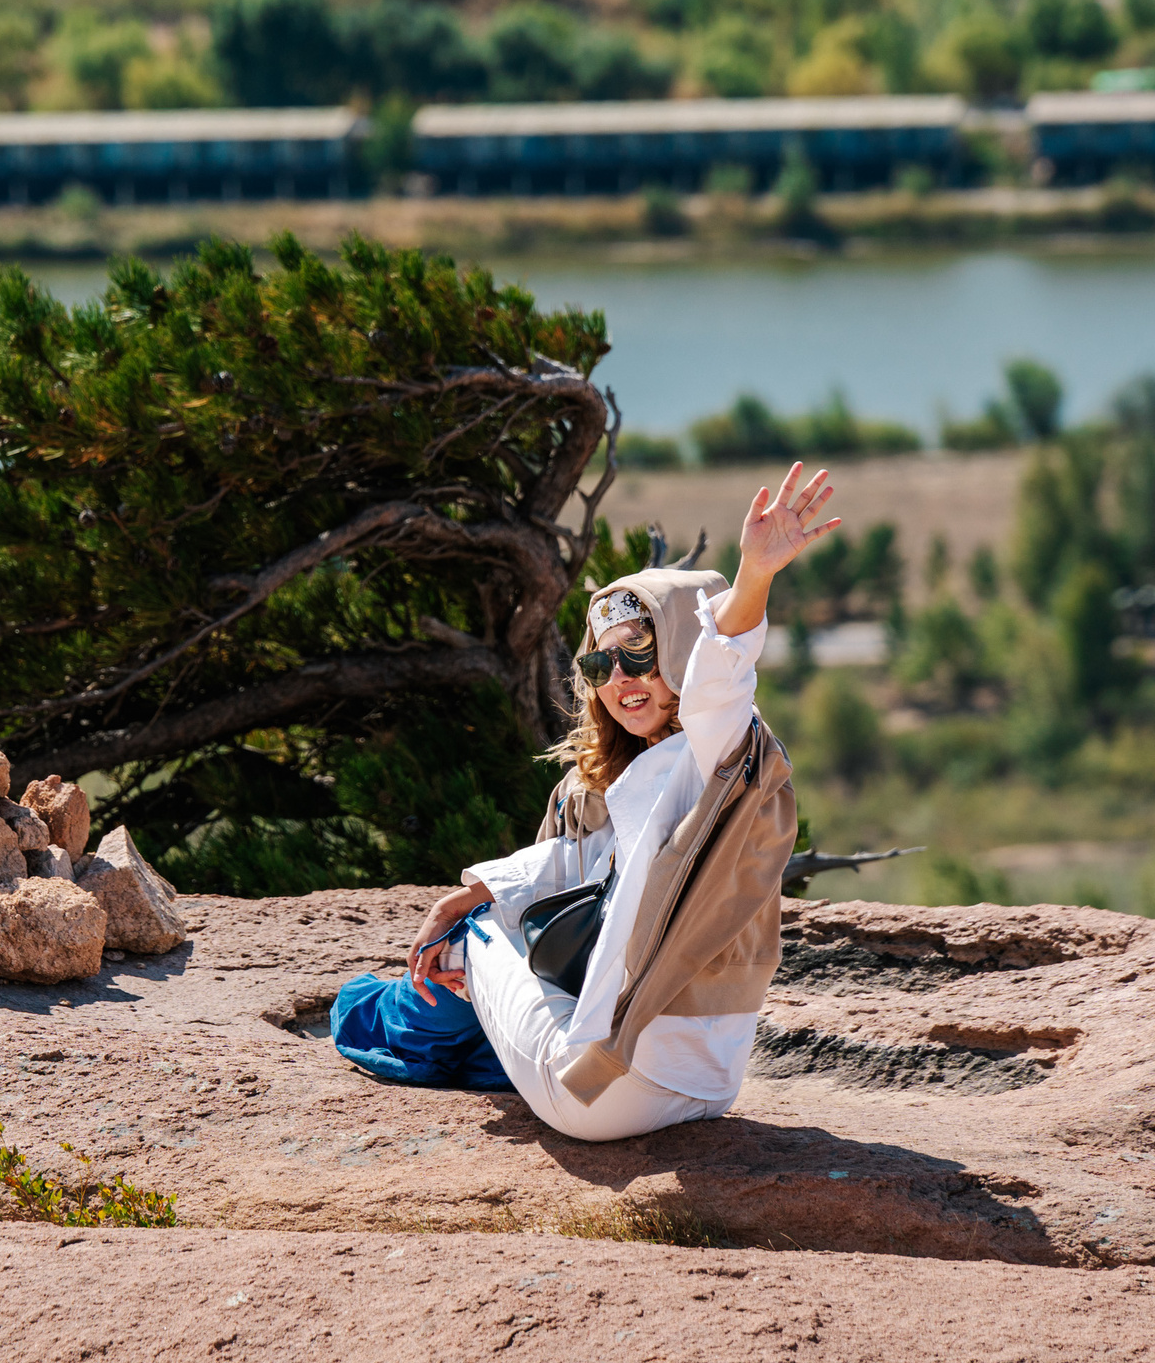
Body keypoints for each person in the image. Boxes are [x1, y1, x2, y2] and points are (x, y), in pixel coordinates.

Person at [331, 462, 838, 1139]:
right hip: (709, 1086)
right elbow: (580, 862)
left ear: (684, 653)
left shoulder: (717, 755)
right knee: (497, 907)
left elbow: (722, 678)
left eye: (641, 652)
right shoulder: (658, 786)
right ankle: (444, 1019)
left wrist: (755, 576)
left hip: (603, 1095)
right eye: (601, 664)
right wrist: (474, 886)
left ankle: (397, 1018)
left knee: (467, 939)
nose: (620, 679)